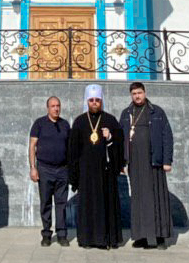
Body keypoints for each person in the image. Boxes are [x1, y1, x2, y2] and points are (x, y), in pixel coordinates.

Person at [67, 83, 124, 248]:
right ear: (87, 101)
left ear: (101, 101)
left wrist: (111, 137)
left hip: (105, 173)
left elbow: (120, 146)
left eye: (97, 100)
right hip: (86, 173)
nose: (94, 103)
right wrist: (74, 175)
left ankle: (107, 239)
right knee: (87, 207)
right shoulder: (79, 122)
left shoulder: (110, 120)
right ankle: (87, 239)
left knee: (106, 205)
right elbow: (73, 151)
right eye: (91, 100)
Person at [120, 81, 174, 249]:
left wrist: (167, 161)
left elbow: (167, 136)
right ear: (131, 95)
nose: (137, 96)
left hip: (154, 162)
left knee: (157, 199)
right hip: (135, 164)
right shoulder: (126, 113)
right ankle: (141, 236)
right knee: (138, 199)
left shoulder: (156, 112)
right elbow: (121, 138)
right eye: (134, 93)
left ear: (145, 93)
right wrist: (122, 162)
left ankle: (161, 237)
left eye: (139, 93)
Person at [28, 95, 71, 246]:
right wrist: (33, 168)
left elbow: (70, 148)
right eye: (53, 106)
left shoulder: (65, 125)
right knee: (45, 203)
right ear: (48, 108)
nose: (56, 108)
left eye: (58, 105)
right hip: (44, 169)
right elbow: (32, 146)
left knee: (61, 203)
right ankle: (46, 234)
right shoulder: (39, 124)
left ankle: (62, 235)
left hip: (62, 170)